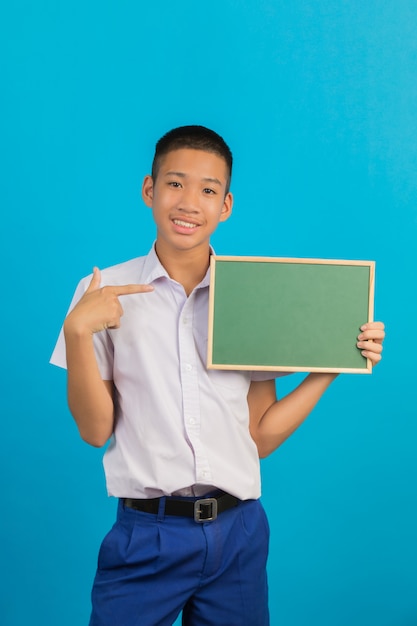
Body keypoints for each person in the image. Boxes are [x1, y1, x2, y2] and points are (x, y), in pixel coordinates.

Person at [50, 125, 385, 626]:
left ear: (225, 205)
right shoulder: (104, 291)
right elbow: (95, 430)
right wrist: (77, 333)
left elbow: (260, 436)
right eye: (175, 184)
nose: (189, 202)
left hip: (239, 534)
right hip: (147, 534)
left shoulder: (252, 295)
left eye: (208, 190)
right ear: (149, 189)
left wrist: (330, 368)